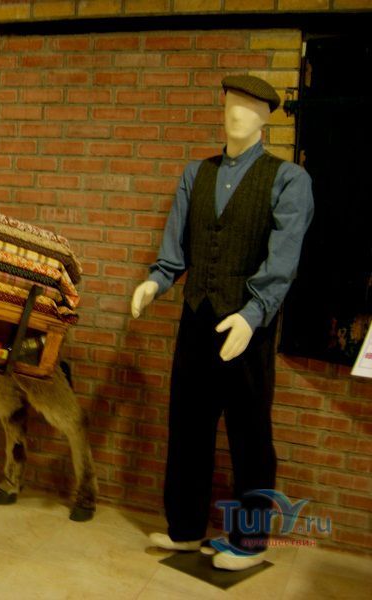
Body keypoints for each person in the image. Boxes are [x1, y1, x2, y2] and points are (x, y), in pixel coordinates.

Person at [131, 75, 314, 571]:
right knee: (187, 427)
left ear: (267, 116)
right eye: (231, 101)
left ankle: (250, 542)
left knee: (250, 435)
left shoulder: (288, 179)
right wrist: (155, 282)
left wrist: (252, 315)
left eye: (250, 105)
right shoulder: (197, 173)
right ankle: (186, 529)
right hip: (196, 317)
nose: (237, 112)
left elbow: (283, 261)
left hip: (248, 327)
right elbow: (175, 250)